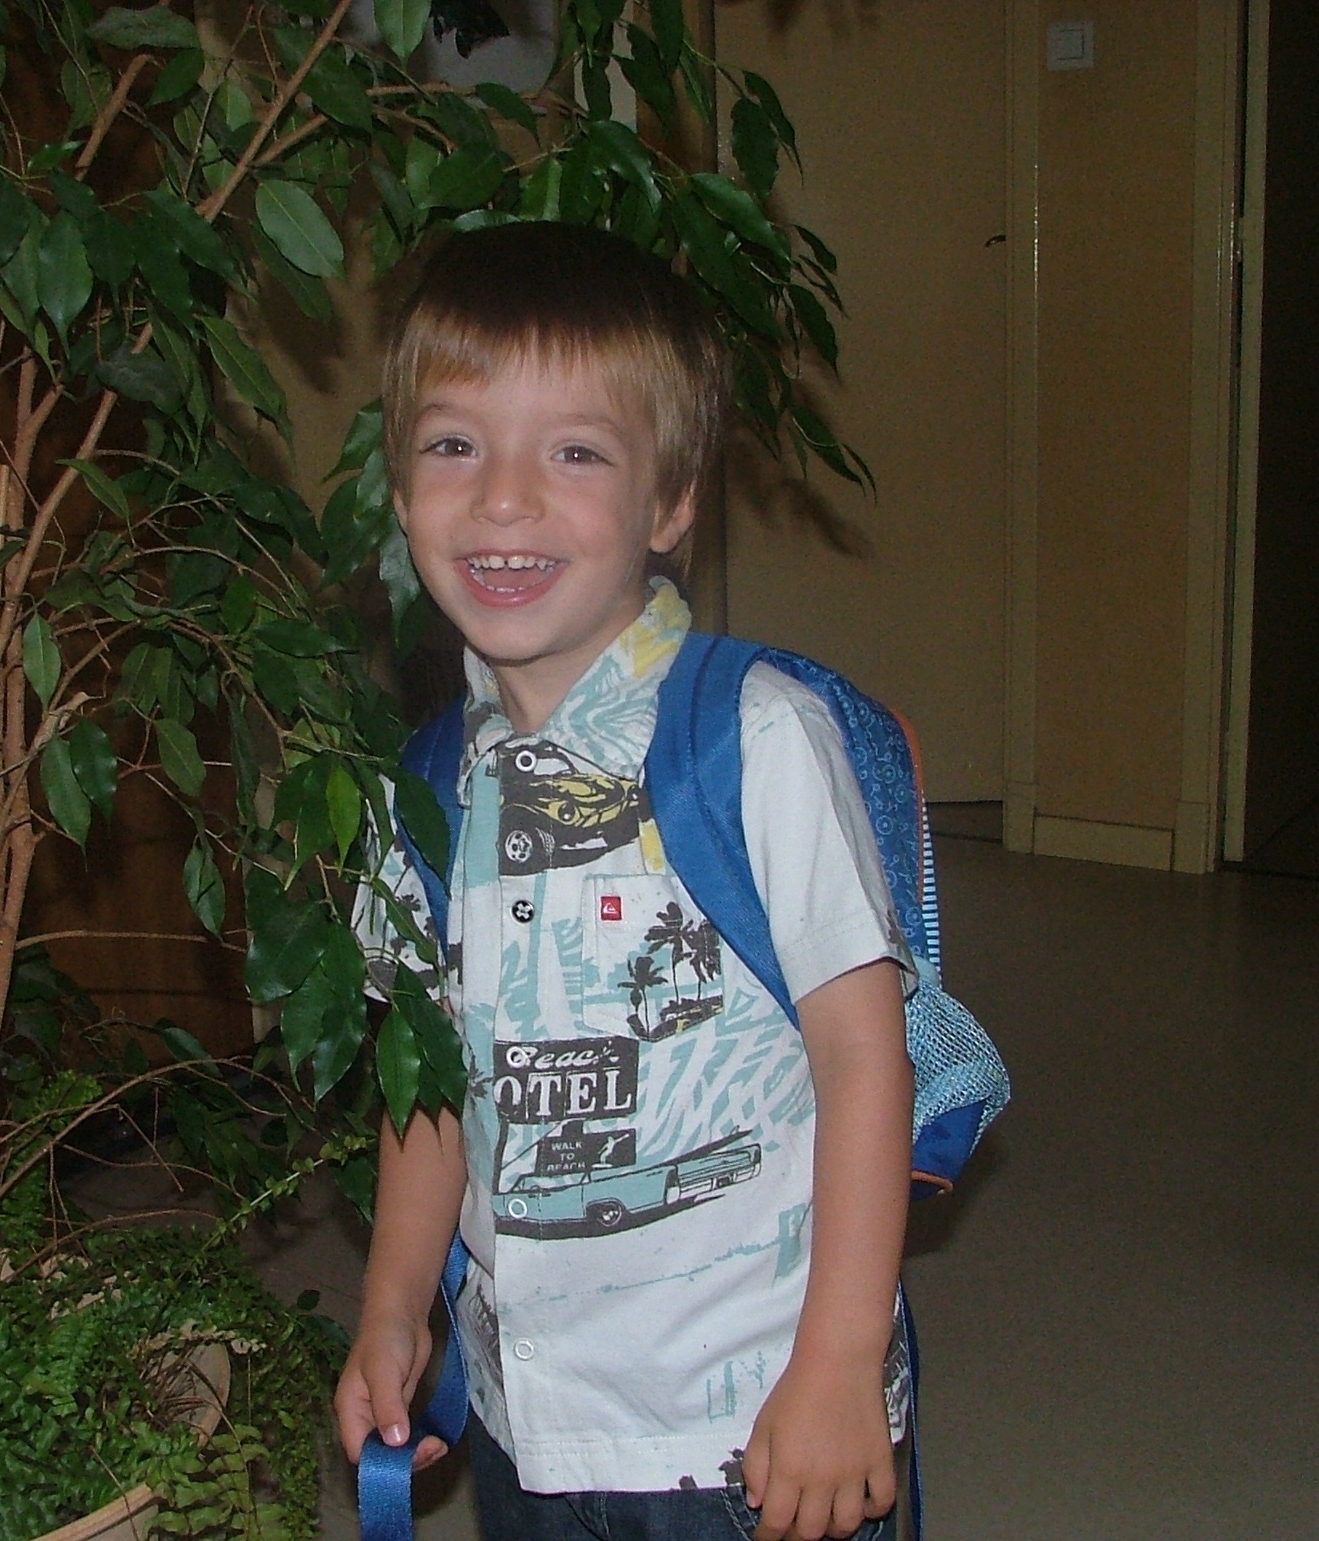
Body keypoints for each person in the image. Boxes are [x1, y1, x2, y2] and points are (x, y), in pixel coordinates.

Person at [335, 221, 916, 1541]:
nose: (503, 498)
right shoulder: (419, 795)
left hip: (752, 1427)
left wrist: (838, 1364)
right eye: (453, 445)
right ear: (400, 489)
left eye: (576, 452)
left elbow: (864, 1056)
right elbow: (428, 1087)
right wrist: (393, 1303)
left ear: (670, 504)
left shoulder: (757, 742)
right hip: (529, 1418)